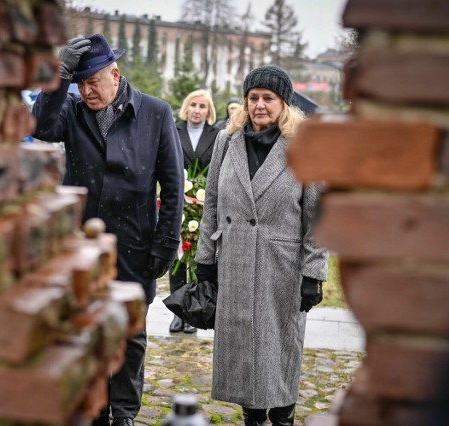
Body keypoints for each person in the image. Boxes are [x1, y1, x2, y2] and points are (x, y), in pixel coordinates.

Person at [32, 34, 184, 426]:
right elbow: (41, 126)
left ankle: (126, 412)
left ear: (115, 75)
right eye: (79, 83)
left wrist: (167, 243)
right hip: (83, 242)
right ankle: (95, 406)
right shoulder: (71, 108)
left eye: (92, 82)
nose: (86, 91)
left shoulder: (155, 112)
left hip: (135, 241)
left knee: (131, 333)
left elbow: (172, 185)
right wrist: (58, 77)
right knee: (85, 327)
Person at [194, 65, 329, 426]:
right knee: (241, 350)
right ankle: (252, 417)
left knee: (279, 348)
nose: (259, 105)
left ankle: (283, 416)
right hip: (235, 259)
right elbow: (211, 202)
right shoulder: (227, 141)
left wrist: (313, 272)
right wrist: (205, 258)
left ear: (284, 104)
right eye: (253, 97)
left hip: (281, 267)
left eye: (268, 98)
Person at [168, 89, 220, 334]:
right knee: (178, 258)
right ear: (186, 108)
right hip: (178, 203)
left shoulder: (217, 135)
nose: (197, 110)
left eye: (202, 106)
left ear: (209, 111)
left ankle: (194, 311)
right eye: (193, 105)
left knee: (199, 257)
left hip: (205, 205)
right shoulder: (173, 130)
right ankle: (178, 312)